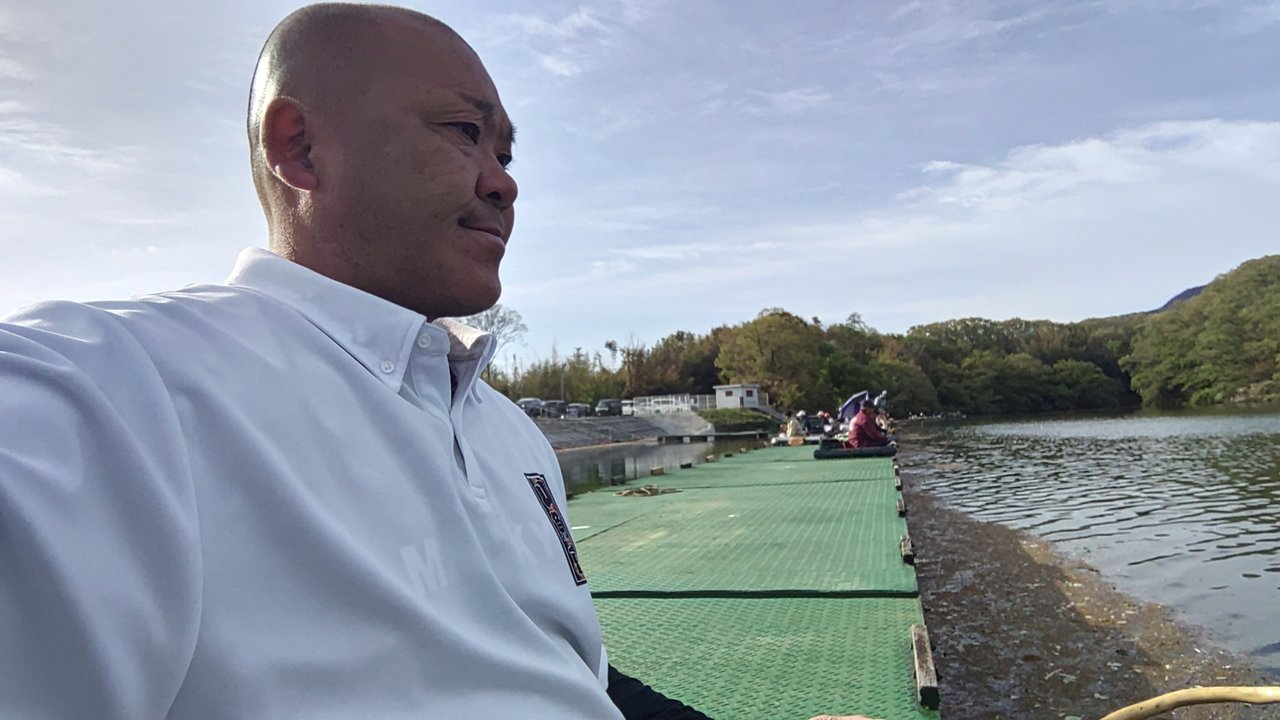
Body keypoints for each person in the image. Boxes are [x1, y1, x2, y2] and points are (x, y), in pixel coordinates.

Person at [0, 5, 877, 720]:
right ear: (299, 147)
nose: (505, 182)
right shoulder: (104, 392)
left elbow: (564, 676)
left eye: (506, 153)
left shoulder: (507, 430)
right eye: (465, 133)